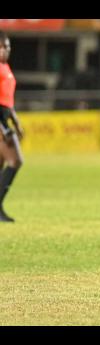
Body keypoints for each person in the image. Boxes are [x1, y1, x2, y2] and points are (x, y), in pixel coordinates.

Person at [0, 31, 24, 222]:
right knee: (16, 161)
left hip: (6, 120)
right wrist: (4, 128)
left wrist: (16, 122)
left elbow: (8, 101)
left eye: (8, 46)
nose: (8, 50)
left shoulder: (5, 67)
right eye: (4, 46)